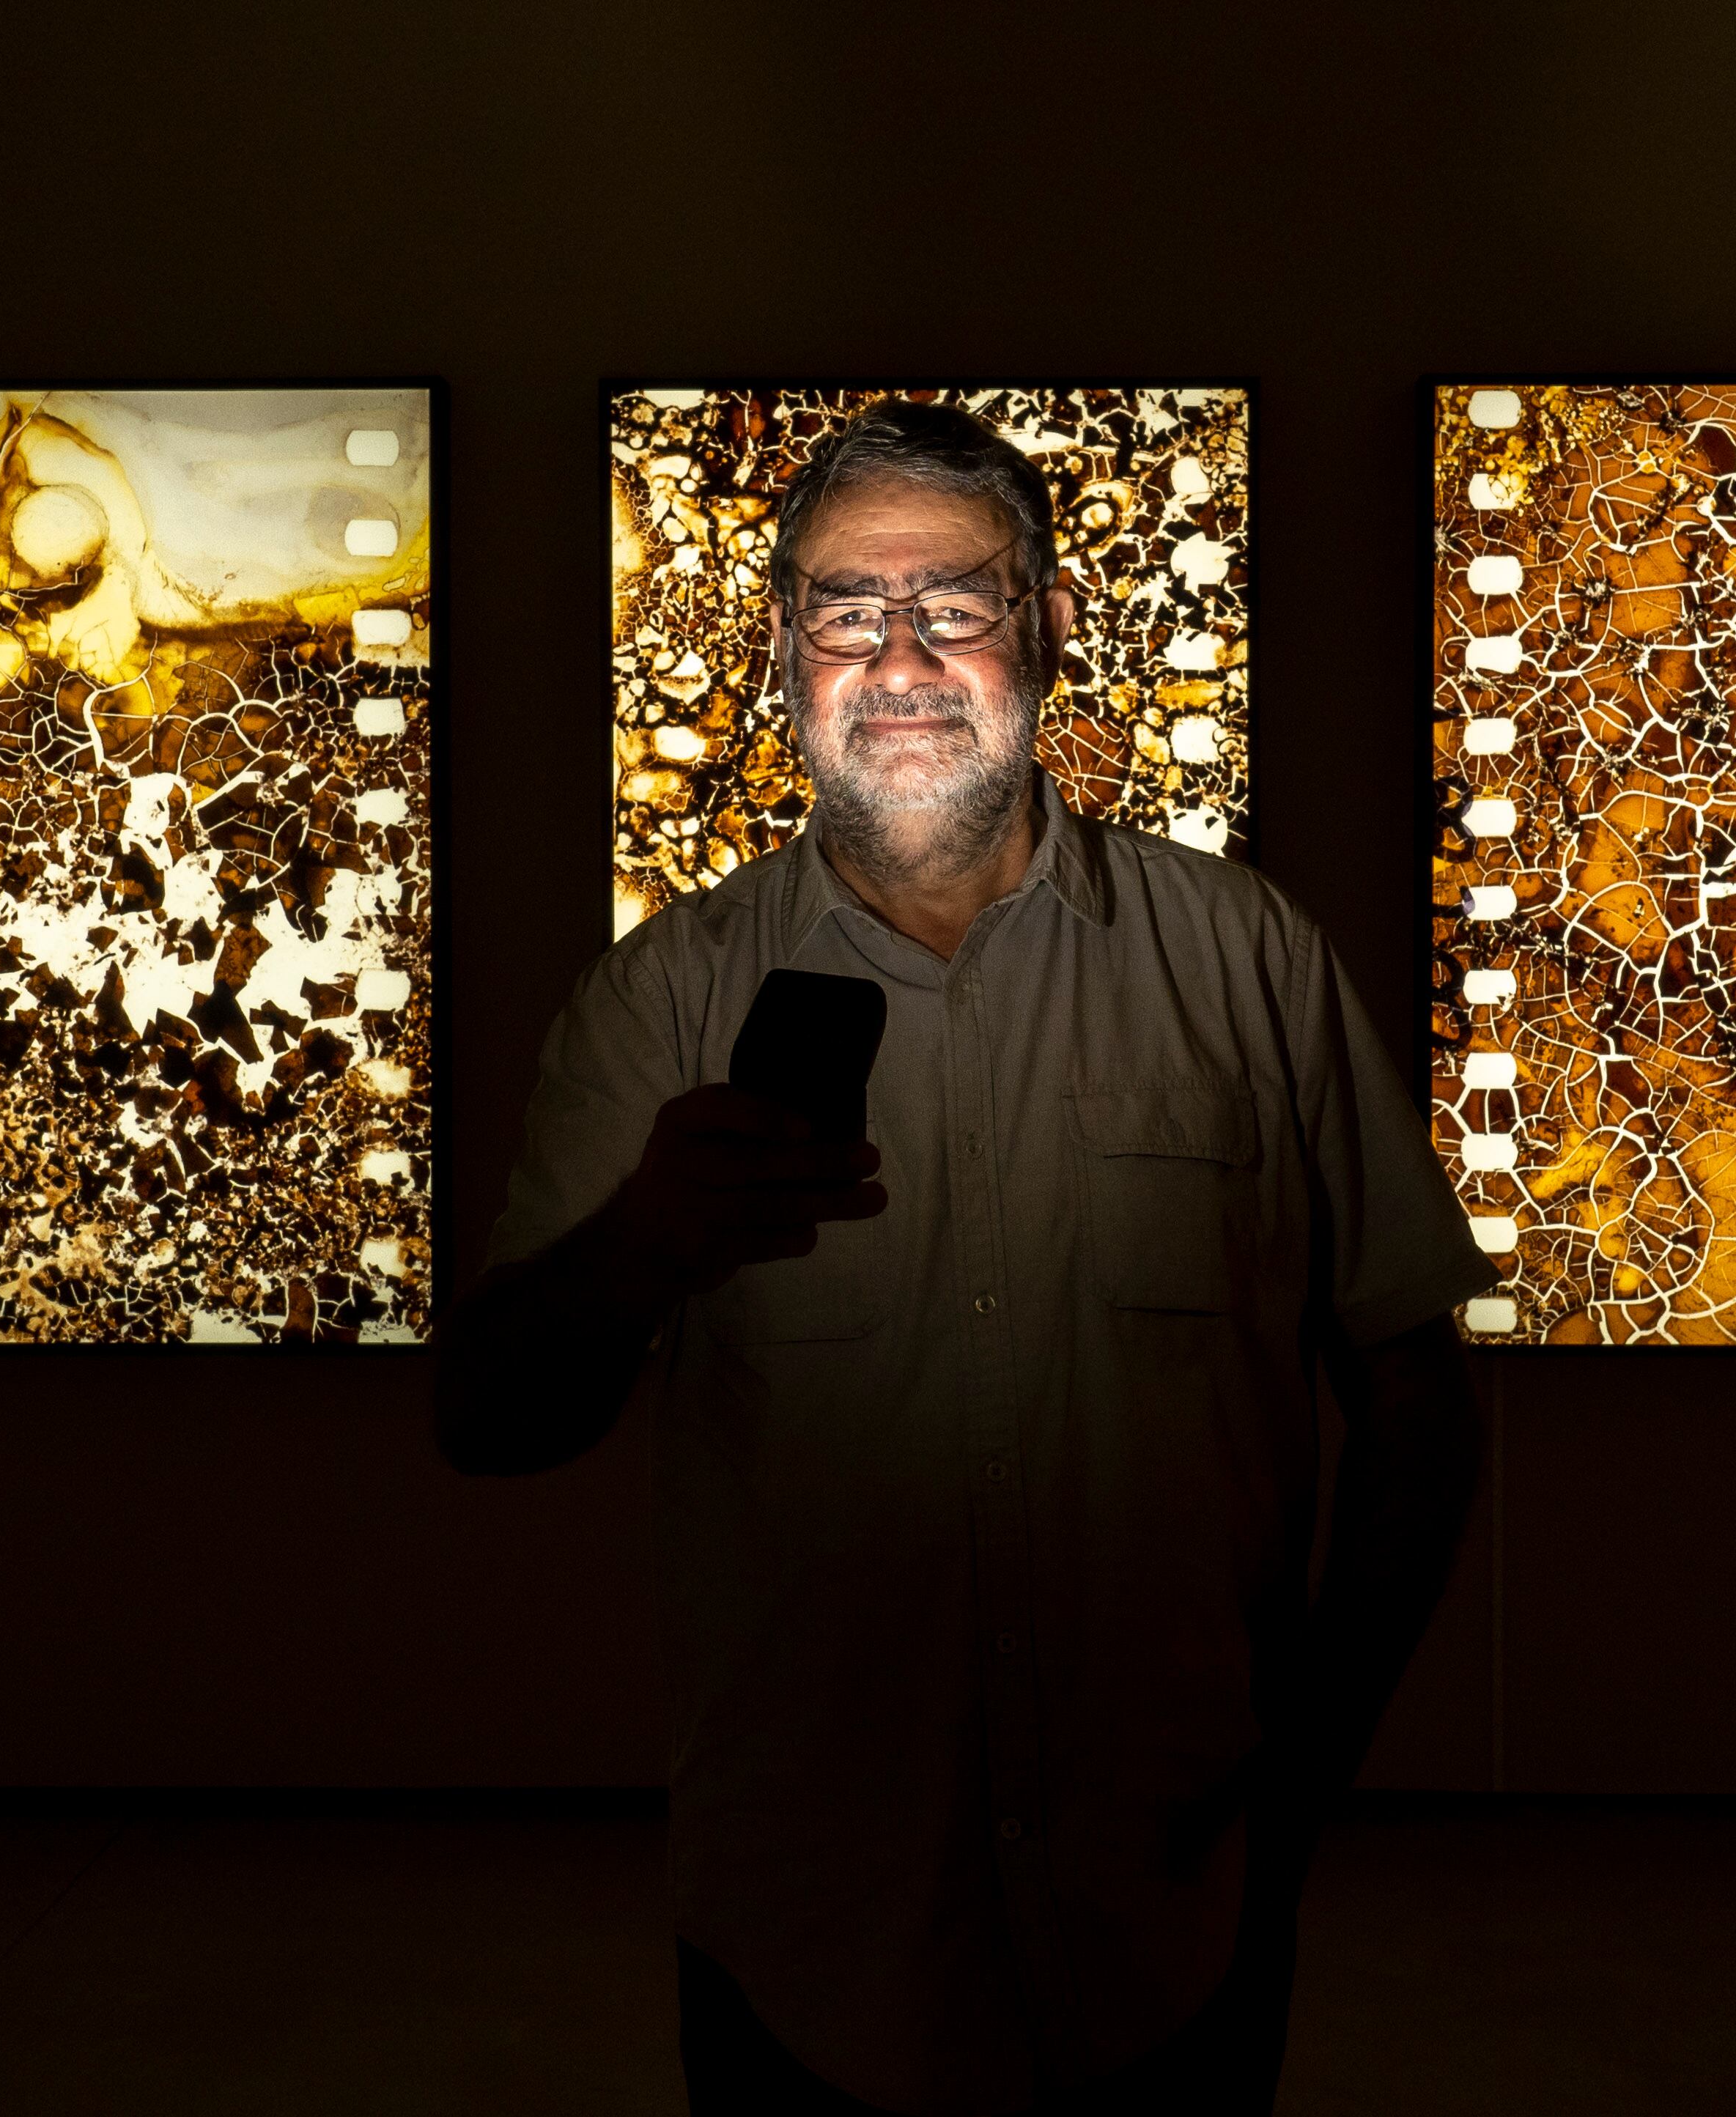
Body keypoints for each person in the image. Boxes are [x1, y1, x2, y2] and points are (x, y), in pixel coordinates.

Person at [437, 399, 1498, 2116]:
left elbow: (1415, 1403)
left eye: (960, 601)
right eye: (850, 608)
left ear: (1054, 622)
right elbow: (487, 1414)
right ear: (785, 646)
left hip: (1172, 1915)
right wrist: (641, 1244)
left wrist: (1297, 1787)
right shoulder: (664, 1000)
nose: (904, 654)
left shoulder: (1246, 960)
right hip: (812, 1931)